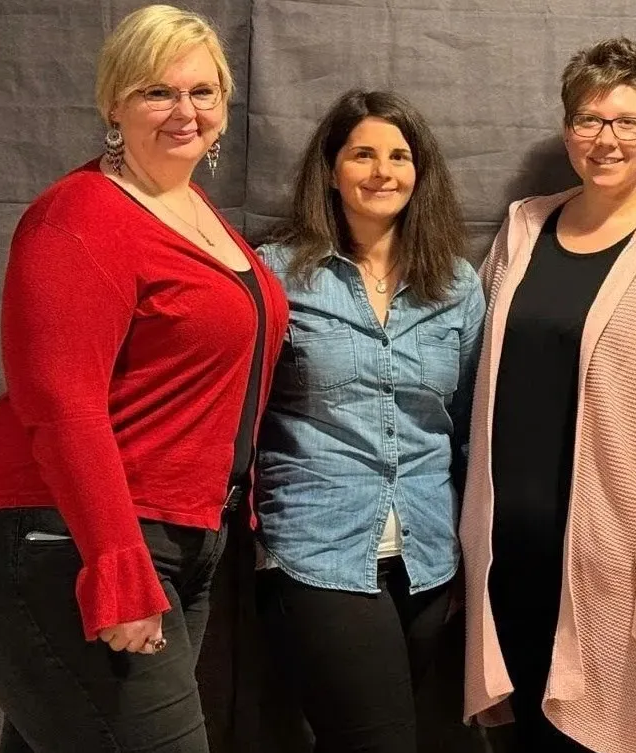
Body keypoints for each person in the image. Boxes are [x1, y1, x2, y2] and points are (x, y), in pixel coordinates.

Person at [0, 5, 288, 751]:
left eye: (203, 92)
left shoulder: (194, 212)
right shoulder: (79, 217)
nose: (184, 111)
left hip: (177, 538)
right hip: (66, 540)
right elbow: (62, 407)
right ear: (113, 104)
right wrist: (118, 564)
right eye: (156, 92)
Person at [458, 37, 636, 753]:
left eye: (627, 122)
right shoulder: (523, 230)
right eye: (589, 119)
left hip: (616, 574)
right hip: (510, 564)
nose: (605, 139)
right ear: (566, 130)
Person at [252, 88, 484, 753]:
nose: (383, 171)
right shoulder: (278, 274)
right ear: (331, 169)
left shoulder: (458, 285)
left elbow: (469, 425)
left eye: (399, 156)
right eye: (362, 154)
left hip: (427, 561)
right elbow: (245, 410)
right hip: (317, 551)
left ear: (419, 172)